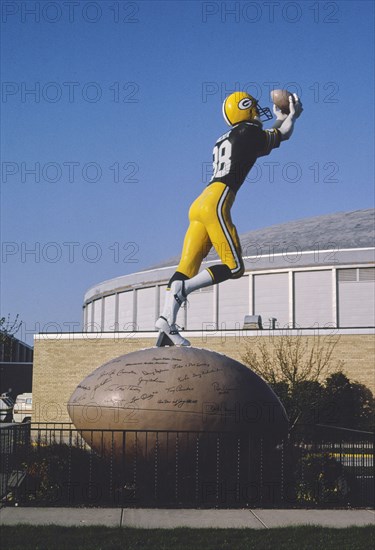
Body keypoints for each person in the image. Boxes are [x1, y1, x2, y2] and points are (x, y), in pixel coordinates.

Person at [155, 90, 303, 345]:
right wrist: (293, 116)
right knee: (234, 267)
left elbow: (265, 136)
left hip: (200, 201)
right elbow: (283, 135)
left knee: (185, 267)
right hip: (218, 200)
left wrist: (279, 120)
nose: (259, 111)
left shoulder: (230, 136)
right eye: (254, 107)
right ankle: (184, 290)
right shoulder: (249, 132)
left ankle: (166, 321)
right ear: (246, 108)